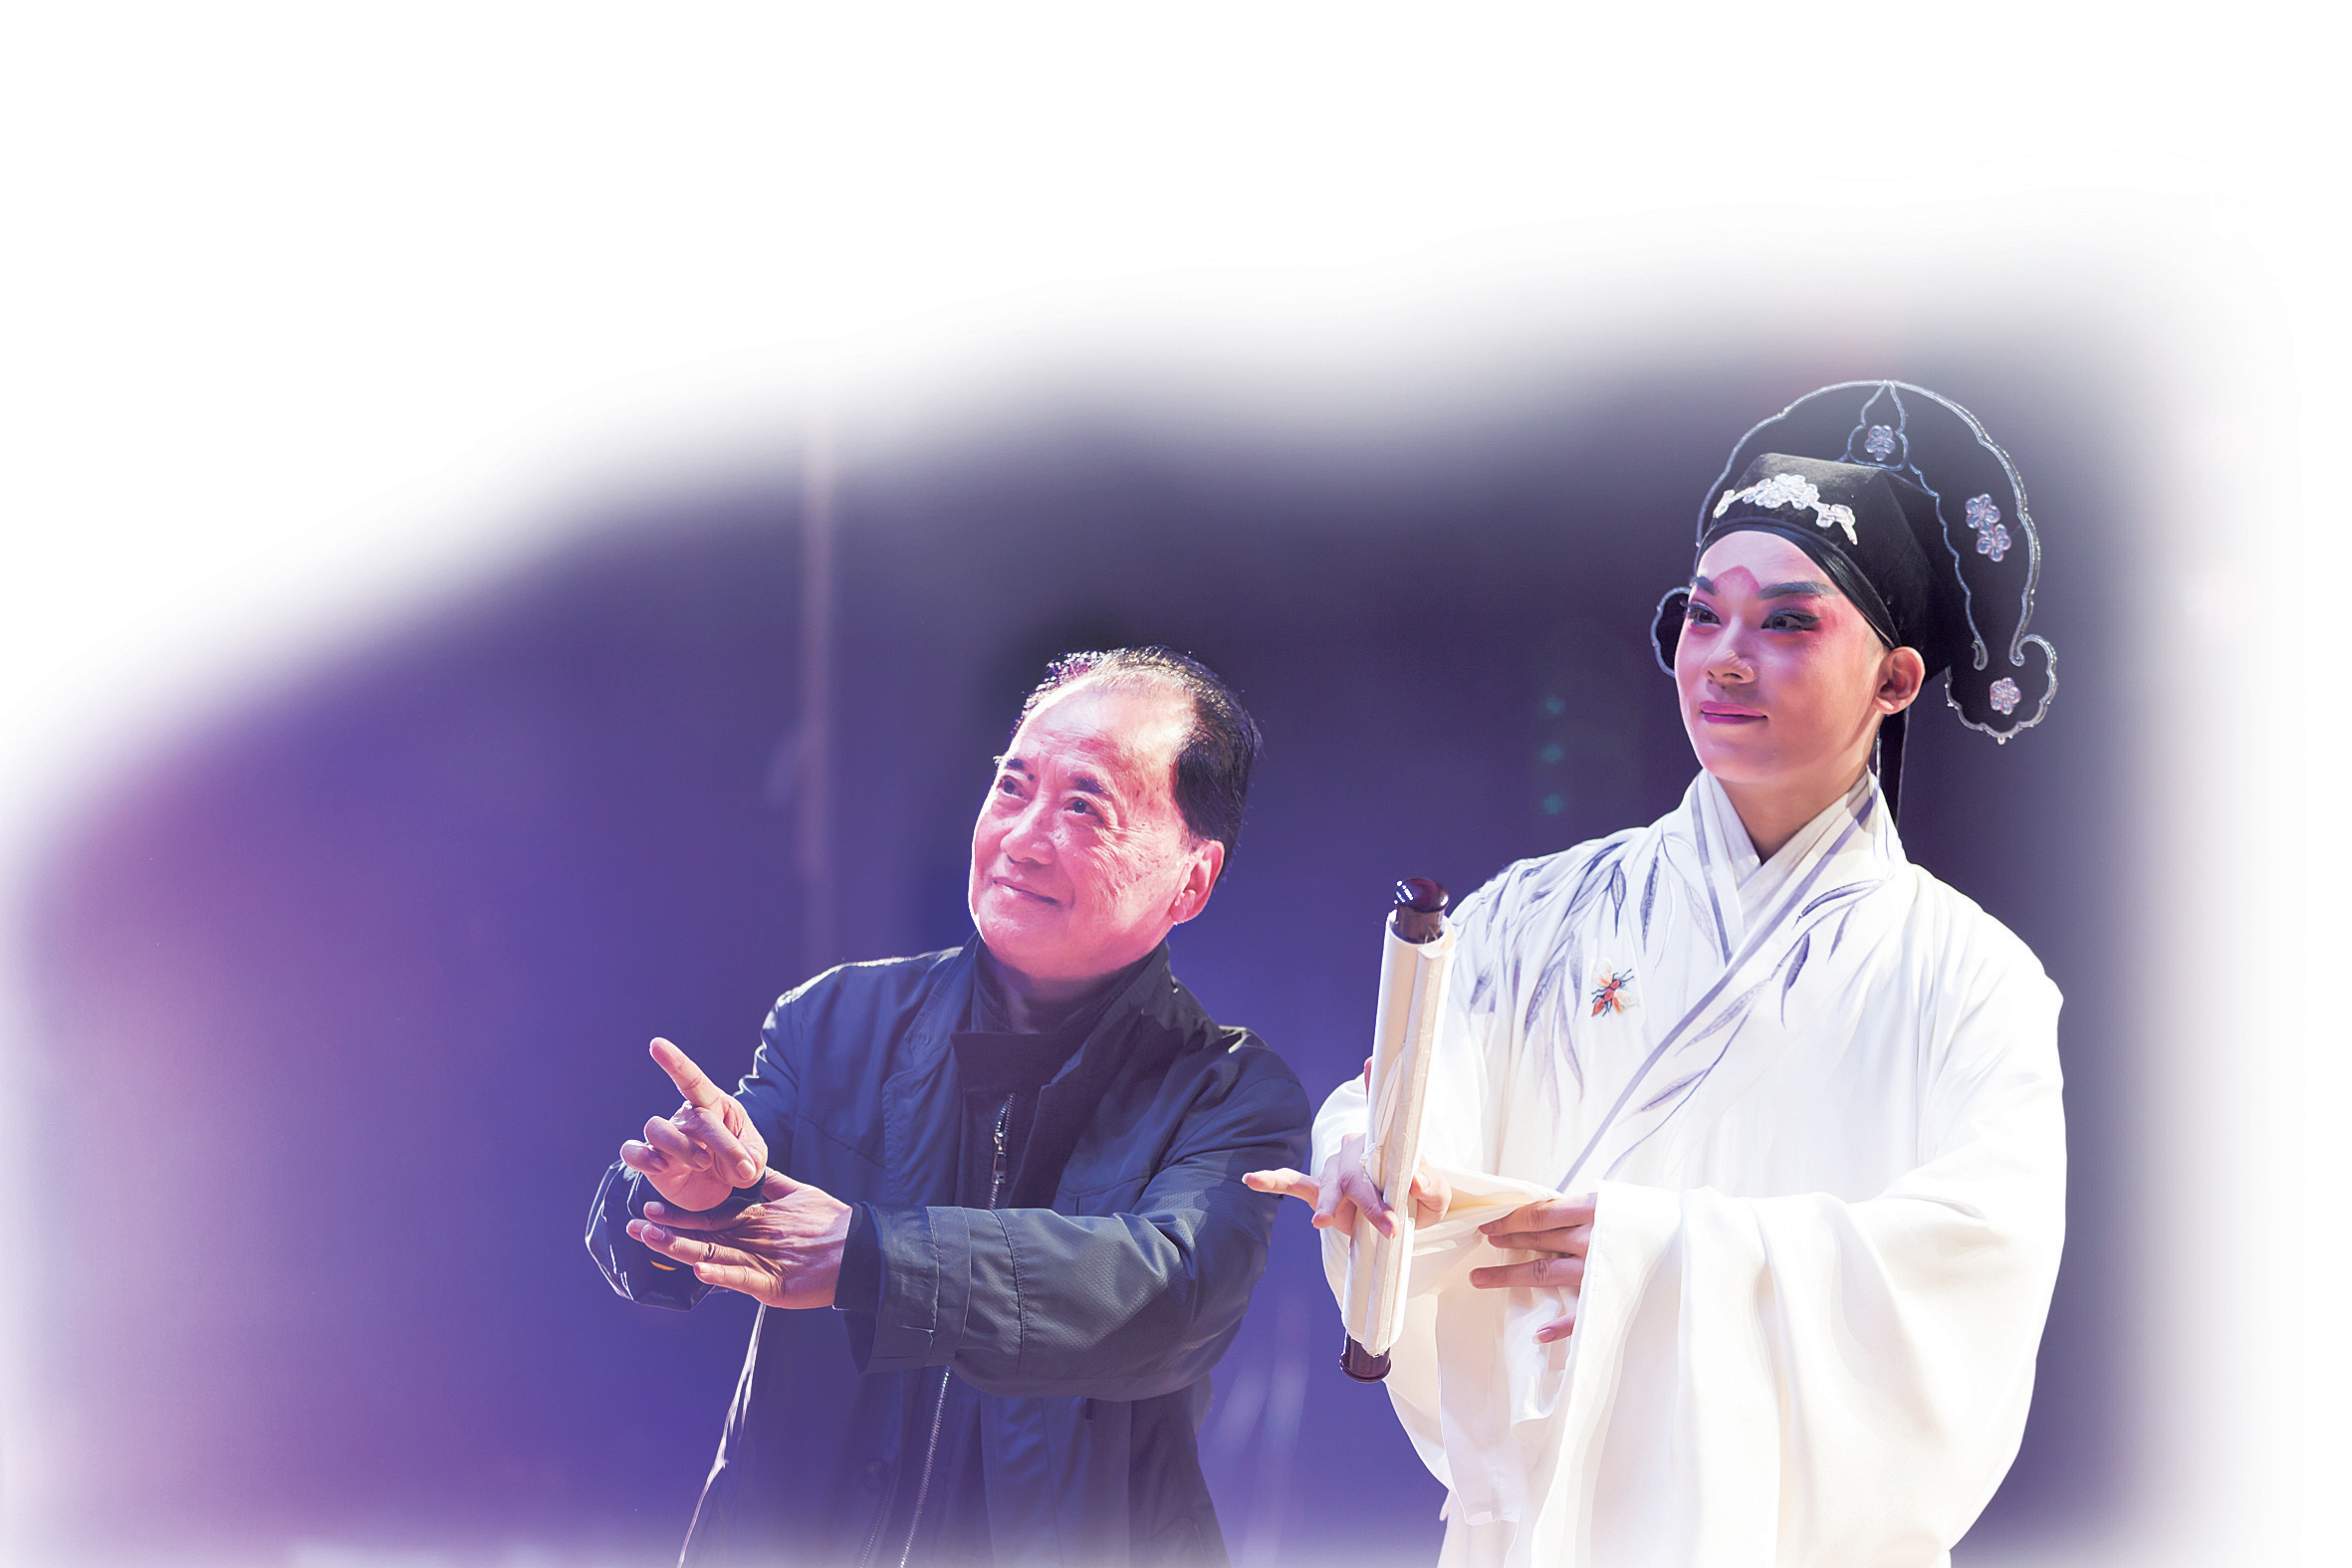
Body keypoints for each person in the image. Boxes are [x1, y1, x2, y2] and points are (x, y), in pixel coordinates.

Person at [1249, 382, 2065, 1567]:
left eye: (1786, 623)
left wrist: (1658, 1254)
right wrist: (1367, 1161)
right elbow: (1423, 1096)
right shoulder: (1537, 912)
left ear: (1894, 680)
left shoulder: (1972, 977)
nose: (1724, 659)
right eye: (1703, 617)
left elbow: (1973, 1262)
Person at [587, 648, 1311, 1567]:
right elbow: (690, 1223)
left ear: (1192, 880)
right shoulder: (833, 1020)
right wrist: (684, 1195)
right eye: (1013, 787)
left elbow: (1165, 1296)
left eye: (1084, 806)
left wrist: (872, 1257)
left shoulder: (1229, 1092)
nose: (1023, 837)